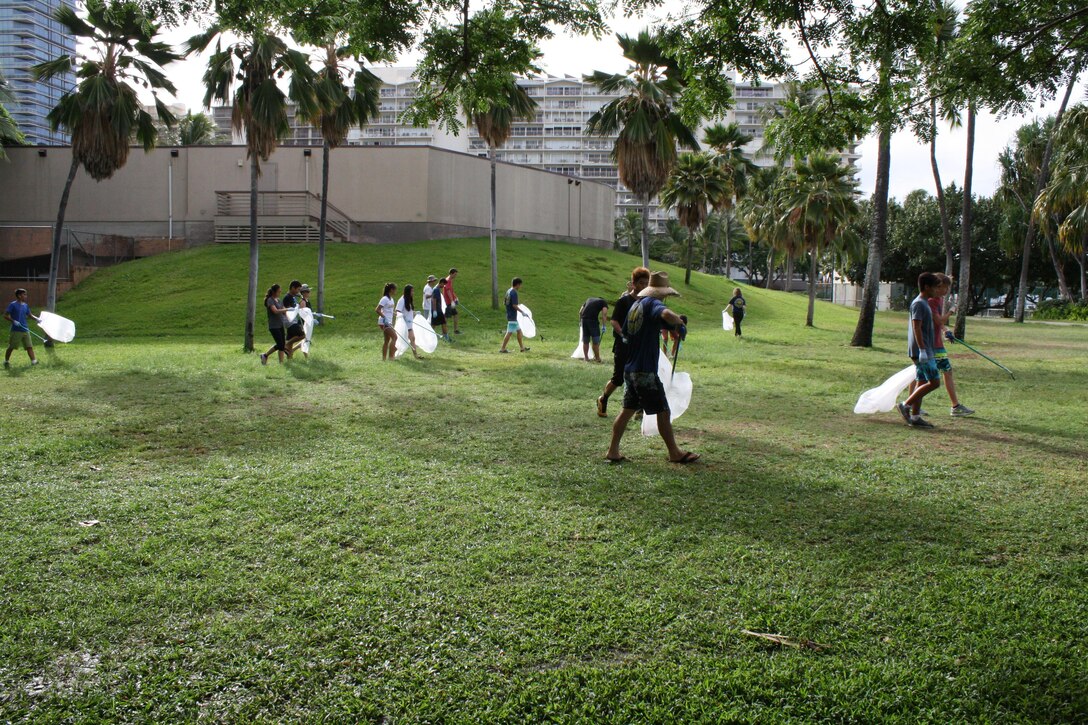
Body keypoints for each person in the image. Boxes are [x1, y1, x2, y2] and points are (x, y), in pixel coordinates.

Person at [605, 271, 698, 464]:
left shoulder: (635, 306)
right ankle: (675, 453)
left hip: (630, 369)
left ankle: (613, 451)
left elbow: (649, 325)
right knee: (663, 410)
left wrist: (671, 326)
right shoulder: (654, 303)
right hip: (645, 371)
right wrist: (679, 323)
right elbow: (665, 313)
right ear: (660, 292)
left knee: (627, 411)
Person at [596, 268, 650, 418]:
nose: (644, 286)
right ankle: (603, 398)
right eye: (641, 283)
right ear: (633, 284)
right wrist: (622, 334)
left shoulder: (645, 302)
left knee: (638, 376)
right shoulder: (624, 301)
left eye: (646, 283)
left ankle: (638, 409)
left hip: (638, 347)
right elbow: (614, 321)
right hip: (623, 345)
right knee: (618, 379)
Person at [897, 272, 943, 428]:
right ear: (926, 287)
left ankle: (916, 417)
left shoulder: (924, 303)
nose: (938, 291)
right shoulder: (919, 303)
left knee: (922, 381)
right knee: (935, 382)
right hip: (921, 351)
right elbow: (916, 326)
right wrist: (922, 349)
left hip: (926, 349)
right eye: (936, 288)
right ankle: (905, 405)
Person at [931, 274, 975, 417]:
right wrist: (951, 311)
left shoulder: (937, 299)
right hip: (932, 344)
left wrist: (946, 330)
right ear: (938, 286)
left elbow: (939, 323)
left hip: (935, 342)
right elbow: (938, 321)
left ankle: (912, 404)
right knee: (943, 372)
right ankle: (955, 406)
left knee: (919, 374)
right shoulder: (931, 300)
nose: (947, 290)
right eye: (945, 287)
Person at [4, 288, 40, 368]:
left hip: (25, 329)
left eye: (26, 294)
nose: (26, 296)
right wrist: (14, 321)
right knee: (11, 347)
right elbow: (5, 315)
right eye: (24, 294)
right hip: (16, 330)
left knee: (29, 346)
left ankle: (34, 361)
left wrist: (37, 319)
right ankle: (6, 361)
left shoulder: (25, 305)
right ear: (19, 296)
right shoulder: (12, 305)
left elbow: (30, 315)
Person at [260, 284, 290, 364]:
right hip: (274, 326)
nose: (280, 292)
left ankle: (280, 362)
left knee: (282, 345)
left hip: (280, 325)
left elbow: (284, 310)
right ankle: (265, 355)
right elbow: (275, 311)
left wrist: (291, 310)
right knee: (280, 344)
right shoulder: (270, 300)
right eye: (279, 291)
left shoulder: (278, 300)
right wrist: (285, 309)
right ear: (274, 292)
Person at [500, 277, 530, 353]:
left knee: (519, 331)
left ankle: (522, 348)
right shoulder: (514, 293)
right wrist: (522, 312)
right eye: (520, 285)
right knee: (509, 332)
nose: (520, 287)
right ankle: (502, 349)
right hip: (512, 316)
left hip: (510, 314)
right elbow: (514, 305)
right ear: (517, 284)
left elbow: (505, 303)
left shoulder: (508, 291)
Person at [394, 284, 422, 359]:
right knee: (401, 341)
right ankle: (392, 354)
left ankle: (416, 355)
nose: (413, 292)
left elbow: (409, 311)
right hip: (403, 325)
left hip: (409, 324)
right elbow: (397, 311)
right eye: (412, 291)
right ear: (408, 291)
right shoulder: (402, 300)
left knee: (412, 338)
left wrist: (415, 313)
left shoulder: (409, 300)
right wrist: (402, 317)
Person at [578, 296, 609, 363]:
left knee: (585, 340)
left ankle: (586, 358)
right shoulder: (604, 302)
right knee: (595, 340)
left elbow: (580, 311)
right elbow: (604, 314)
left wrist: (580, 321)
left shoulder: (589, 299)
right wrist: (604, 326)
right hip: (592, 321)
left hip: (584, 320)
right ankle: (597, 358)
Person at [376, 282, 398, 361]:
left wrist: (397, 314)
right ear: (391, 290)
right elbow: (377, 310)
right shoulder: (384, 299)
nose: (396, 291)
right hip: (384, 322)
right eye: (395, 289)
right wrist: (384, 318)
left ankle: (384, 359)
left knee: (387, 340)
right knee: (395, 337)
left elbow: (389, 310)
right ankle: (391, 357)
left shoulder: (391, 299)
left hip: (389, 322)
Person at [282, 280, 306, 353]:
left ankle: (289, 356)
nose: (298, 292)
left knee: (291, 339)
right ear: (293, 288)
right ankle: (285, 345)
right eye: (298, 289)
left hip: (292, 320)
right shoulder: (287, 297)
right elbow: (288, 310)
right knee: (302, 335)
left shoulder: (292, 297)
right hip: (290, 321)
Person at [443, 267, 461, 334]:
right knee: (446, 317)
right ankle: (444, 332)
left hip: (451, 301)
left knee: (456, 314)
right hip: (448, 302)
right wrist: (452, 301)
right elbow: (448, 291)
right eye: (455, 274)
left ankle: (456, 330)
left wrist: (455, 297)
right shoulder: (447, 280)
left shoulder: (450, 280)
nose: (456, 276)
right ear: (451, 274)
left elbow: (451, 290)